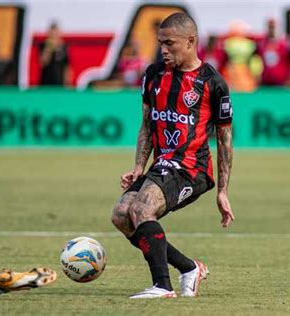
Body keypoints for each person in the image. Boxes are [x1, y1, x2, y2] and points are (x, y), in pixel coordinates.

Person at [111, 12, 235, 299]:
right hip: (162, 165)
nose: (163, 49)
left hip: (192, 168)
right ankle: (189, 268)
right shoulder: (153, 74)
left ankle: (162, 286)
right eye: (160, 43)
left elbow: (225, 141)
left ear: (190, 41)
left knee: (142, 210)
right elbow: (147, 123)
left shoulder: (212, 82)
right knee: (120, 215)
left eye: (170, 43)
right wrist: (139, 165)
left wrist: (223, 191)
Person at [257, 19, 290, 86]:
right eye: (270, 27)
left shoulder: (286, 43)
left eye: (274, 27)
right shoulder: (262, 43)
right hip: (266, 81)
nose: (272, 29)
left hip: (282, 82)